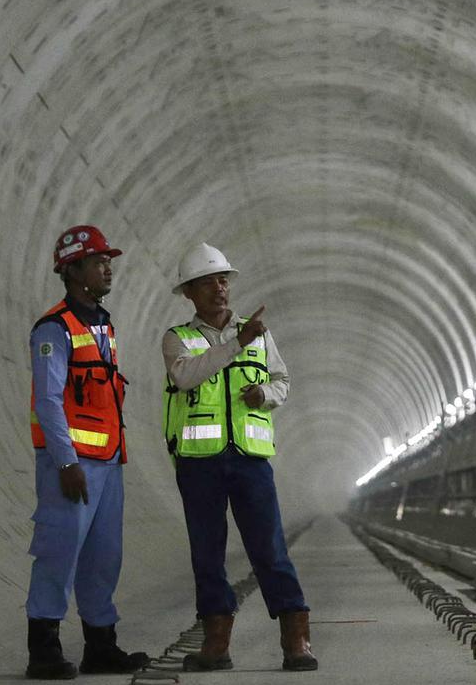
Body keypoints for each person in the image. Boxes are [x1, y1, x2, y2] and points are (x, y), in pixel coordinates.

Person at [162, 242, 317, 672]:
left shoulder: (259, 332)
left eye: (223, 279)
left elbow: (282, 380)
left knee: (269, 547)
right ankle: (216, 642)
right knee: (207, 553)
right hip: (199, 462)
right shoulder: (179, 339)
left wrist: (265, 393)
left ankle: (296, 638)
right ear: (189, 292)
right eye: (209, 281)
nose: (220, 288)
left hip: (249, 459)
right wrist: (234, 343)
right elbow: (187, 375)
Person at [26, 225, 149, 679]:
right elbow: (48, 400)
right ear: (74, 270)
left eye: (107, 260)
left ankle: (101, 645)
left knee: (103, 556)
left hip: (108, 464)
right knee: (58, 552)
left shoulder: (101, 323)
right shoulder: (53, 328)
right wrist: (65, 461)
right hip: (72, 466)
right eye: (98, 261)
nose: (107, 267)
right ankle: (43, 649)